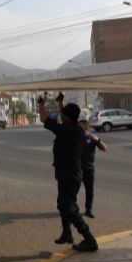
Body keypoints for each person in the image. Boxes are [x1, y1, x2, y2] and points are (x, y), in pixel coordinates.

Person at [39, 92, 98, 252]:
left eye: (63, 113)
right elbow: (65, 114)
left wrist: (41, 102)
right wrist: (60, 102)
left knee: (68, 206)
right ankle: (67, 233)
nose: (61, 114)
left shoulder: (65, 130)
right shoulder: (76, 129)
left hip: (69, 175)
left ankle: (89, 239)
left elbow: (43, 117)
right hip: (70, 174)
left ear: (67, 117)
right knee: (63, 204)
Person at [78, 118, 107, 218]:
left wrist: (98, 140)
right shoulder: (75, 138)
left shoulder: (92, 138)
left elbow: (104, 149)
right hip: (77, 169)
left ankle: (88, 210)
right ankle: (70, 209)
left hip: (89, 169)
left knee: (89, 190)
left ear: (86, 128)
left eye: (80, 128)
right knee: (73, 190)